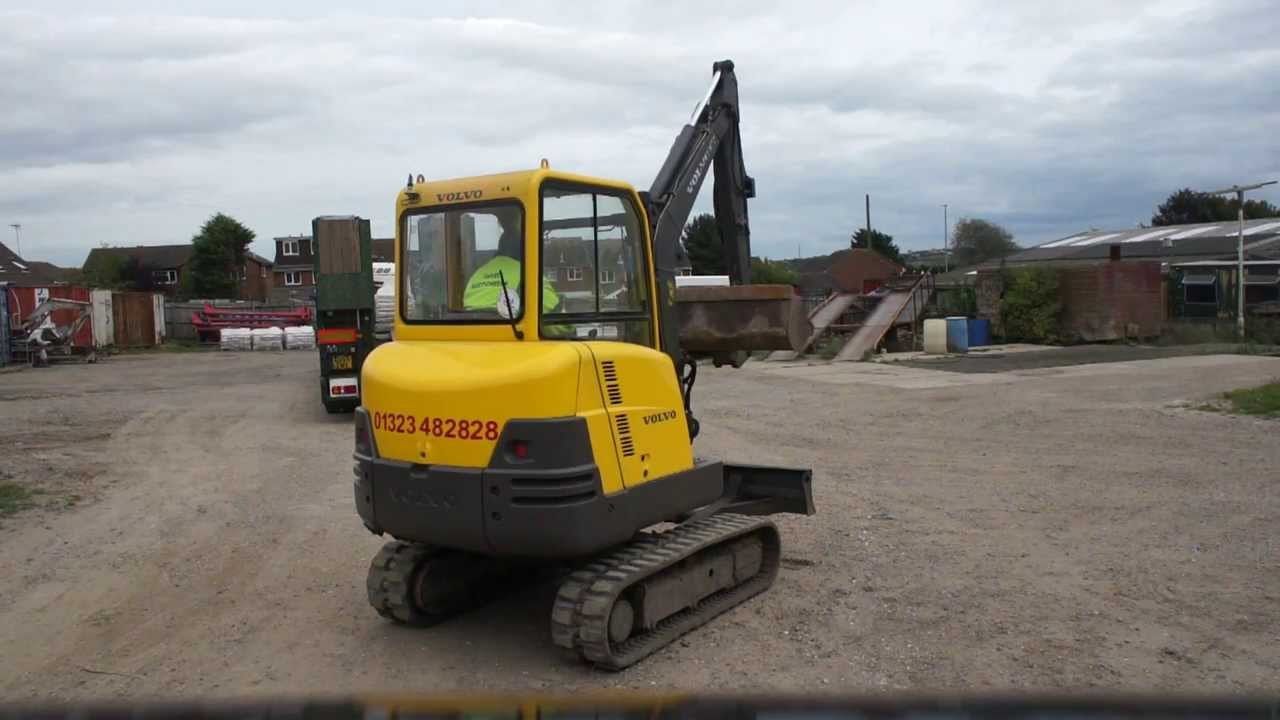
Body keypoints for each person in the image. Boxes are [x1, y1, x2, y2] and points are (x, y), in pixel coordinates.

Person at [463, 207, 561, 321]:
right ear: (524, 250)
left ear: (500, 248)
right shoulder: (530, 276)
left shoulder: (475, 277)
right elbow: (559, 324)